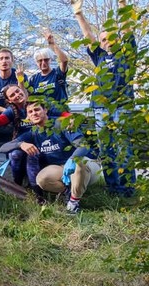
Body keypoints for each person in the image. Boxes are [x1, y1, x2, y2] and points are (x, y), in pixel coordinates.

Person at [72, 0, 136, 196]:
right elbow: (88, 36)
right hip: (101, 109)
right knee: (107, 150)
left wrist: (122, 4)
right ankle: (113, 189)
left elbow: (127, 31)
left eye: (110, 39)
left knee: (124, 149)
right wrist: (79, 14)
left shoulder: (126, 54)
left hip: (122, 107)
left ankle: (127, 190)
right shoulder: (99, 56)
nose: (107, 42)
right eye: (104, 40)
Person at [0, 102, 100, 212]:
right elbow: (3, 147)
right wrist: (21, 144)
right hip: (60, 168)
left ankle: (73, 203)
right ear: (28, 116)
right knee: (42, 179)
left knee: (78, 164)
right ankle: (69, 193)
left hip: (86, 165)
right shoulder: (33, 133)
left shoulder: (62, 124)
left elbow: (84, 146)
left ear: (45, 110)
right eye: (30, 112)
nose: (34, 113)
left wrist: (72, 158)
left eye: (37, 110)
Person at [0, 84, 39, 186]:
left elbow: (58, 113)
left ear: (22, 90)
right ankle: (18, 184)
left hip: (40, 141)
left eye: (17, 91)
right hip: (20, 143)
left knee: (34, 155)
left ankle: (36, 190)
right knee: (15, 155)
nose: (17, 95)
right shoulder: (12, 111)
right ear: (9, 100)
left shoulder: (37, 105)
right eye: (12, 95)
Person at [28, 29, 69, 107]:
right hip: (43, 114)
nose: (43, 63)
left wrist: (53, 44)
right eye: (40, 60)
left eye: (46, 59)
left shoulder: (57, 73)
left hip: (60, 112)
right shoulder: (33, 79)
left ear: (50, 60)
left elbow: (64, 61)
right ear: (36, 62)